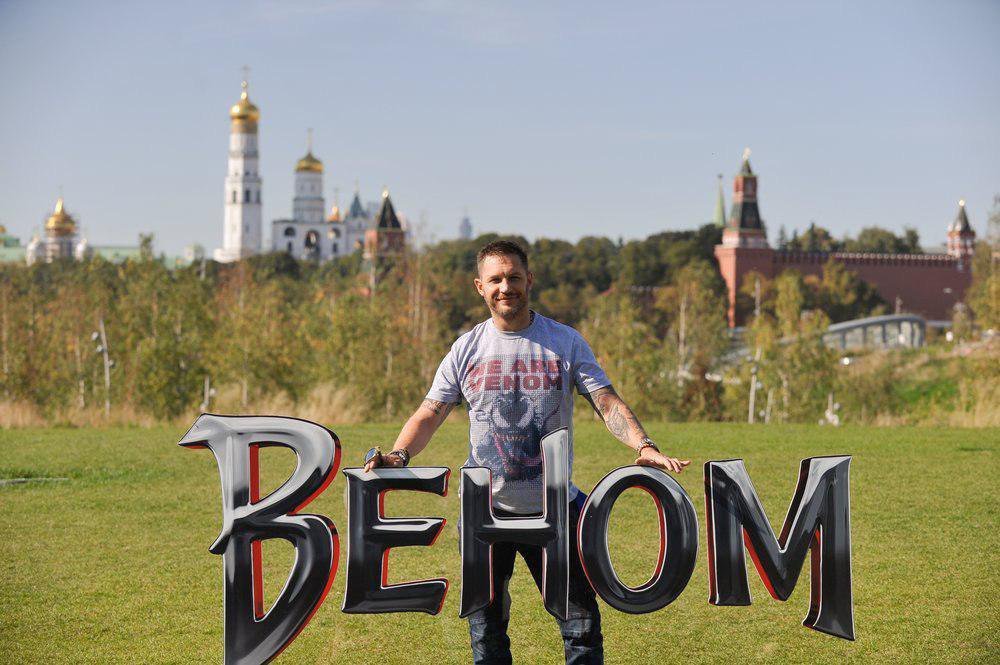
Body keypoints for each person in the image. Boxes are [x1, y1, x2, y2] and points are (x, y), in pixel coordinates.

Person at [364, 239, 690, 665]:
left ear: (529, 280)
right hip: (485, 514)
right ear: (479, 286)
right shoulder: (466, 349)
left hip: (556, 509)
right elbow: (431, 412)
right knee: (486, 633)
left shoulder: (565, 342)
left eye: (514, 277)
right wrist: (398, 456)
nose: (506, 287)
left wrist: (643, 445)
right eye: (496, 279)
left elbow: (606, 401)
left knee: (581, 628)